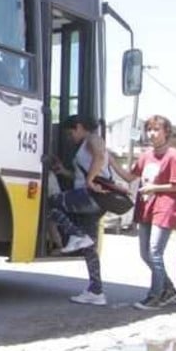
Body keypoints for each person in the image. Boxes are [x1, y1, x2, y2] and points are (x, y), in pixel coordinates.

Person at [114, 115, 176, 310]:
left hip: (165, 208)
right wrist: (110, 161)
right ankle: (169, 289)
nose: (152, 134)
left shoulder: (173, 156)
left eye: (156, 130)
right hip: (146, 208)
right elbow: (130, 176)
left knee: (155, 252)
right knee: (145, 254)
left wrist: (155, 188)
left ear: (166, 132)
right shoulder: (146, 155)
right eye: (149, 129)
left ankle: (154, 296)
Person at [46, 115, 115, 306]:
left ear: (79, 127)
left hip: (90, 196)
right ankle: (96, 291)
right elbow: (80, 174)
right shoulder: (86, 144)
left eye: (70, 133)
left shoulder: (93, 138)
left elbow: (99, 157)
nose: (70, 138)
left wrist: (90, 180)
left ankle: (76, 234)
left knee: (50, 204)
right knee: (89, 248)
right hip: (89, 197)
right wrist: (63, 171)